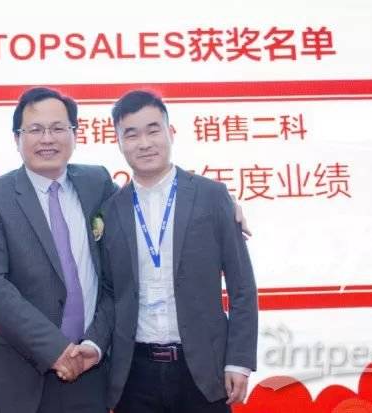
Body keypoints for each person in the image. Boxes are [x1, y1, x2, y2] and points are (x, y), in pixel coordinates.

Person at [76, 90, 259, 413]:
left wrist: (239, 361)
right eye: (131, 134)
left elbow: (241, 285)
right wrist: (94, 343)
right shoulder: (111, 210)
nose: (144, 143)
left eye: (153, 130)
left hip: (203, 368)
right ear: (119, 142)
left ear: (170, 133)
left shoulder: (211, 196)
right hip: (135, 373)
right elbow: (111, 292)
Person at [0, 87, 116, 413]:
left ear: (74, 134)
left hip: (92, 371)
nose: (47, 139)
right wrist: (55, 349)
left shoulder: (98, 183)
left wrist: (95, 343)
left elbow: (116, 274)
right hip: (18, 378)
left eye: (58, 128)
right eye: (35, 129)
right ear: (16, 138)